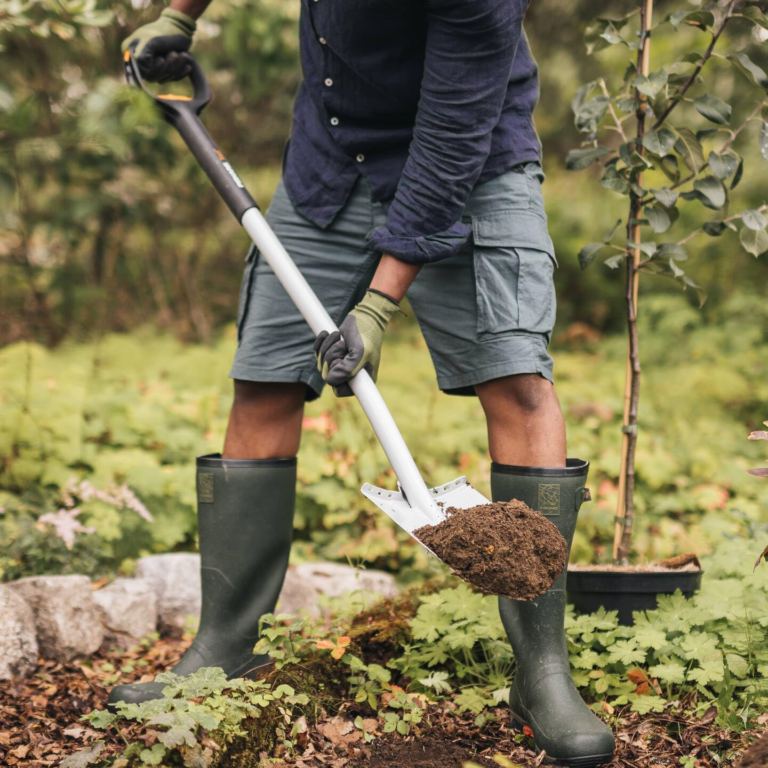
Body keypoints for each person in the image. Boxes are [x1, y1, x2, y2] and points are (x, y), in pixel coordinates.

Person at [112, 1, 615, 765]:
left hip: (472, 164)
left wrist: (378, 305)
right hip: (330, 164)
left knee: (517, 382)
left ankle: (542, 672)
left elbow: (449, 145)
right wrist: (179, 16)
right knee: (265, 380)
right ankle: (223, 650)